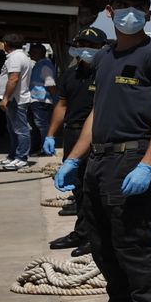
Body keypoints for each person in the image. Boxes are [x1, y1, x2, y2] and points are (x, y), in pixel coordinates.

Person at [52, 0, 151, 302]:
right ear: (109, 11)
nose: (129, 12)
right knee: (103, 245)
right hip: (98, 163)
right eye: (122, 5)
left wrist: (147, 164)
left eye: (137, 6)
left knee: (134, 247)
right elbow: (97, 113)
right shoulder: (105, 57)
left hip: (131, 160)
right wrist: (74, 158)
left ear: (148, 15)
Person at [45, 27, 106, 255]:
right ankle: (81, 232)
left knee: (93, 189)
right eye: (80, 45)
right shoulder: (71, 74)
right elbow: (61, 105)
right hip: (71, 134)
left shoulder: (104, 72)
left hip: (95, 135)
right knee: (78, 188)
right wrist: (51, 134)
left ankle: (94, 236)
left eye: (89, 46)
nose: (83, 50)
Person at [0, 33, 34, 170]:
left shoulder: (16, 58)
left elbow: (13, 79)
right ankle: (12, 156)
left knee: (21, 130)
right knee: (13, 130)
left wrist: (5, 98)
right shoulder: (19, 56)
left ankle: (21, 157)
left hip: (16, 100)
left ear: (6, 44)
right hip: (14, 99)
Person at [26, 43, 57, 154]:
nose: (29, 54)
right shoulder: (39, 65)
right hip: (36, 100)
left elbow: (50, 84)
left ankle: (46, 148)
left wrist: (56, 100)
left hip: (41, 101)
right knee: (36, 126)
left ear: (37, 53)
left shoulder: (45, 66)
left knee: (42, 126)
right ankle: (37, 148)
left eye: (31, 52)